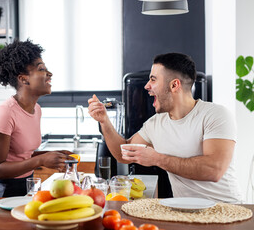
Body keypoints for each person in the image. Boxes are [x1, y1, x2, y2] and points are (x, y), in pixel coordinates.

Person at [88, 53, 243, 203]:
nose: (147, 86)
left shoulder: (215, 115)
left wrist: (156, 159)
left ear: (174, 85)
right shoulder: (156, 123)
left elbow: (213, 170)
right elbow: (125, 153)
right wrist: (104, 121)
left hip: (227, 211)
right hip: (184, 213)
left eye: (153, 80)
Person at [0, 39, 73, 197]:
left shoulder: (36, 109)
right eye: (41, 69)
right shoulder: (5, 112)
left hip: (24, 190)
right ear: (23, 79)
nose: (49, 73)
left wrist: (50, 155)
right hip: (0, 194)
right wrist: (41, 161)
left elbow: (22, 155)